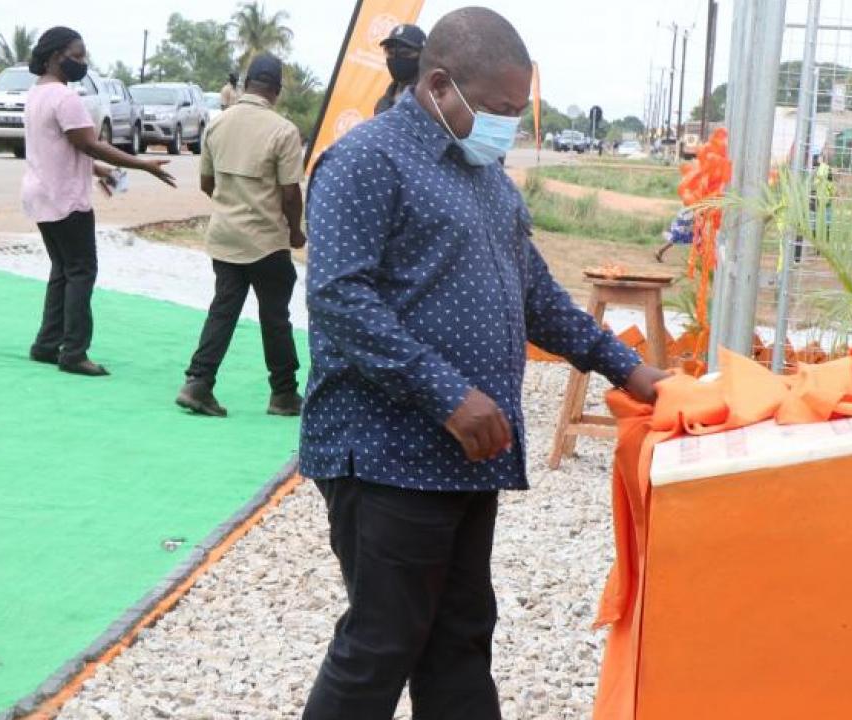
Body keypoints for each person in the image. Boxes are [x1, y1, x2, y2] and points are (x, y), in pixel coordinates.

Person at [299, 8, 668, 719]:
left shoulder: (488, 177)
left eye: (516, 110)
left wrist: (629, 369)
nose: (507, 125)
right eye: (498, 109)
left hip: (467, 454)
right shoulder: (366, 161)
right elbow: (339, 298)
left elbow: (537, 296)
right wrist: (448, 395)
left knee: (461, 639)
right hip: (387, 453)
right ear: (439, 86)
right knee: (382, 642)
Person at [22, 26, 176, 377]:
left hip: (40, 193)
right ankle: (74, 352)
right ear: (55, 56)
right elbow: (90, 144)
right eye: (76, 55)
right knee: (81, 270)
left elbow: (63, 148)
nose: (83, 61)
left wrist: (99, 171)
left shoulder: (36, 94)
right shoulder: (65, 98)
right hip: (65, 197)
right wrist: (143, 165)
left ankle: (47, 344)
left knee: (63, 268)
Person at [175, 54, 305, 418]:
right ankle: (283, 394)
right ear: (276, 90)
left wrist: (230, 205)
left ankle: (198, 382)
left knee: (223, 309)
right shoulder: (283, 131)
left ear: (246, 85)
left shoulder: (218, 124)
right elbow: (290, 193)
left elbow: (206, 182)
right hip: (265, 240)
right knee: (275, 317)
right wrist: (296, 231)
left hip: (225, 237)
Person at [374, 23, 426, 116]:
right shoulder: (382, 104)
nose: (396, 58)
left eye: (405, 53)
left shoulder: (433, 102)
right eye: (390, 53)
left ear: (423, 55)